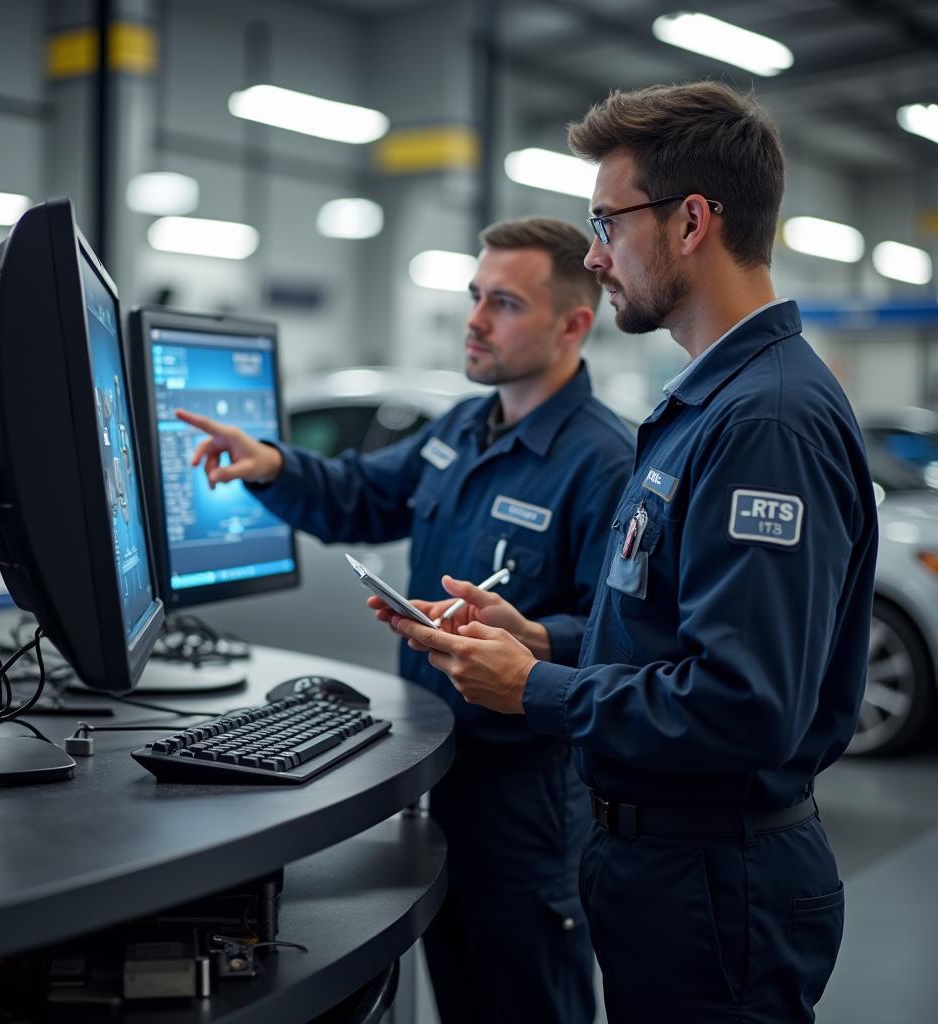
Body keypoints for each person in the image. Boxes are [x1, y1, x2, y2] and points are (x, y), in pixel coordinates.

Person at [388, 83, 879, 1024]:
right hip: (667, 868)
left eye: (606, 221)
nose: (597, 255)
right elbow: (675, 634)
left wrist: (533, 691)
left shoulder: (764, 420)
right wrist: (540, 640)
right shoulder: (710, 405)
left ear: (692, 221)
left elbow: (744, 706)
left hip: (715, 879)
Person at [176, 216, 634, 1024]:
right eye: (473, 297)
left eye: (504, 303)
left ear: (572, 325)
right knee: (456, 992)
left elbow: (613, 636)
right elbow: (361, 492)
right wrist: (273, 463)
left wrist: (531, 636)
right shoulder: (462, 428)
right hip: (438, 774)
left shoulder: (604, 461)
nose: (475, 319)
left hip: (525, 799)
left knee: (528, 1000)